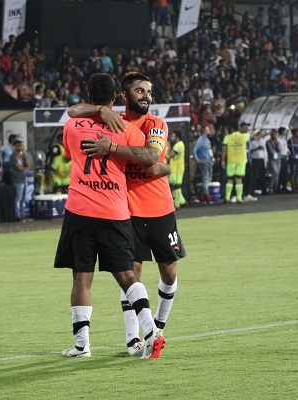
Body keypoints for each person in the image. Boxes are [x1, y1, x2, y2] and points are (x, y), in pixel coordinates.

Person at [69, 71, 183, 357]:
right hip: (127, 211)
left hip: (159, 209)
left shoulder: (155, 124)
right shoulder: (114, 119)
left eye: (149, 91)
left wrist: (113, 148)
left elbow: (152, 157)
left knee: (169, 273)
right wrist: (101, 110)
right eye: (140, 91)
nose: (146, 96)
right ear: (123, 95)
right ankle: (134, 339)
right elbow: (73, 110)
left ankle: (158, 325)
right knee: (131, 273)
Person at [221, 122, 260, 203]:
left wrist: (223, 160)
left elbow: (224, 150)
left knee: (230, 179)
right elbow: (252, 134)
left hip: (231, 161)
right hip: (241, 160)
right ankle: (239, 198)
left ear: (231, 129)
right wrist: (258, 130)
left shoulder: (227, 137)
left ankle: (227, 197)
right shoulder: (243, 136)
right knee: (239, 179)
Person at [10, 139, 30, 221]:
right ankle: (17, 216)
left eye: (22, 145)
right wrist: (25, 168)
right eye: (19, 145)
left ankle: (23, 214)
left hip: (24, 179)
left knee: (23, 198)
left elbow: (28, 164)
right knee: (18, 198)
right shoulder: (13, 156)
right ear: (15, 146)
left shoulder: (22, 156)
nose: (21, 147)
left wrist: (25, 154)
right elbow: (19, 167)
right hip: (17, 180)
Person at [193, 126, 214, 203]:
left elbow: (209, 150)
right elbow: (194, 150)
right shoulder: (201, 139)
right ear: (204, 130)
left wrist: (212, 159)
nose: (209, 130)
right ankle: (206, 196)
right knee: (205, 178)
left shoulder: (206, 139)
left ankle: (200, 195)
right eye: (207, 129)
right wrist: (198, 160)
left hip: (208, 161)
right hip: (204, 162)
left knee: (208, 178)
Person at [167, 130, 186, 209]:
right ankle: (182, 201)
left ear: (177, 137)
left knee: (176, 186)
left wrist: (164, 152)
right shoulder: (177, 145)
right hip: (175, 169)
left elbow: (170, 155)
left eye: (173, 136)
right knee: (174, 185)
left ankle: (177, 204)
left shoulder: (179, 145)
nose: (172, 138)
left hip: (177, 169)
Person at [287, 128, 298, 192]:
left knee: (297, 172)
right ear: (293, 133)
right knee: (293, 172)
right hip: (292, 158)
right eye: (297, 133)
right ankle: (293, 186)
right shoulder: (290, 140)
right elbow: (288, 149)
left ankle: (297, 186)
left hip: (297, 158)